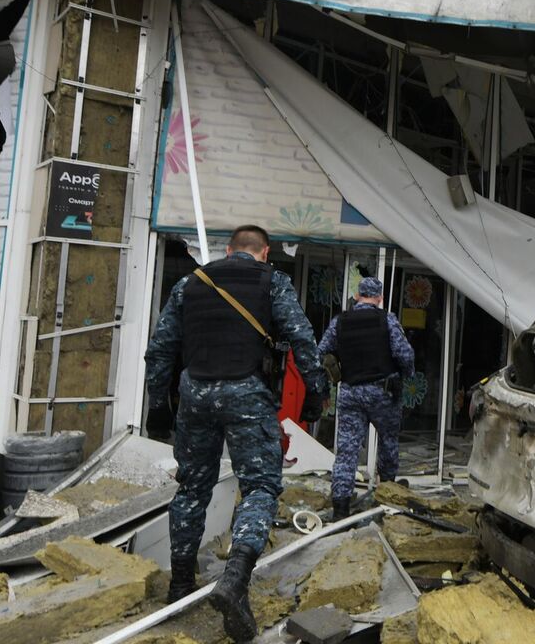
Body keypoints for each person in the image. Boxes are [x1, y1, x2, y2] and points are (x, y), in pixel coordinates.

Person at [143, 225, 326, 641]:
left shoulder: (190, 283)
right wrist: (315, 393)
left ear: (228, 250)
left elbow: (161, 347)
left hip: (196, 393)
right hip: (247, 391)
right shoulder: (272, 280)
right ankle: (235, 579)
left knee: (191, 487)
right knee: (260, 488)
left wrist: (158, 405)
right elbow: (302, 337)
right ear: (264, 253)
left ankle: (180, 584)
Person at [318, 277, 415, 519]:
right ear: (380, 298)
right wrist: (407, 374)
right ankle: (387, 493)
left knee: (348, 450)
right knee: (388, 442)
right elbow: (404, 354)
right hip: (383, 392)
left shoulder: (339, 321)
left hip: (350, 392)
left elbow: (321, 353)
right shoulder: (387, 320)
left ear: (359, 295)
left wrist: (322, 386)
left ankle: (340, 506)